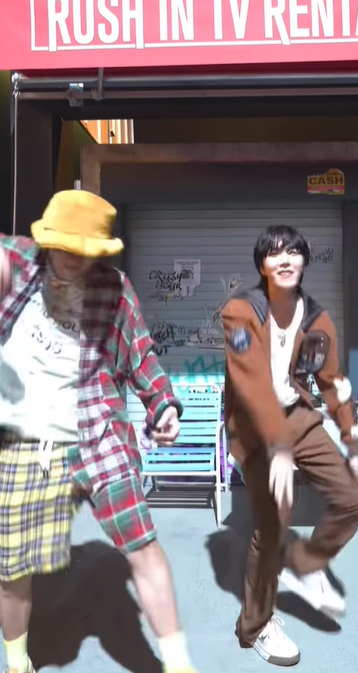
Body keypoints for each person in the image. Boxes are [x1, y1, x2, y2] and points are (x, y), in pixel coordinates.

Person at [0, 190, 198, 673]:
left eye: (84, 251)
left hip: (96, 429)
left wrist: (163, 405)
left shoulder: (115, 289)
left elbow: (142, 356)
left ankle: (177, 665)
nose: (73, 259)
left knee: (142, 545)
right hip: (23, 438)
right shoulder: (17, 262)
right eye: (65, 248)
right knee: (12, 568)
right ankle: (17, 660)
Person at [221, 225, 358, 667]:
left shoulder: (316, 320)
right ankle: (253, 627)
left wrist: (353, 442)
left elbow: (333, 382)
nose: (285, 259)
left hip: (298, 417)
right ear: (262, 266)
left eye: (293, 252)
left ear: (304, 262)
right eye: (274, 253)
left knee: (352, 498)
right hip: (254, 425)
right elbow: (250, 385)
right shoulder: (240, 312)